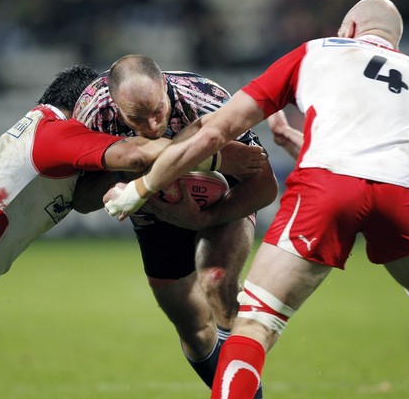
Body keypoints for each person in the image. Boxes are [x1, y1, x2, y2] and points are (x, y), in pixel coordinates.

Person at [103, 0, 409, 399]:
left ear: (350, 29)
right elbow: (375, 151)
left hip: (327, 188)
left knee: (255, 324)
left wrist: (140, 188)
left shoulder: (316, 51)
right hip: (407, 191)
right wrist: (305, 145)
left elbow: (213, 132)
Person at [0, 64, 177, 399]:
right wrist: (205, 144)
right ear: (88, 103)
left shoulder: (42, 130)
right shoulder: (58, 131)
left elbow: (82, 201)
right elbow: (138, 154)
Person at [71, 55, 277, 396]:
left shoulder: (207, 101)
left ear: (165, 85)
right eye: (137, 119)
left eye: (157, 110)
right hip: (152, 213)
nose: (152, 125)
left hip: (222, 200)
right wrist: (130, 169)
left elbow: (265, 187)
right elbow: (80, 199)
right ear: (116, 106)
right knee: (194, 329)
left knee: (217, 281)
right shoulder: (92, 114)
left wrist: (204, 218)